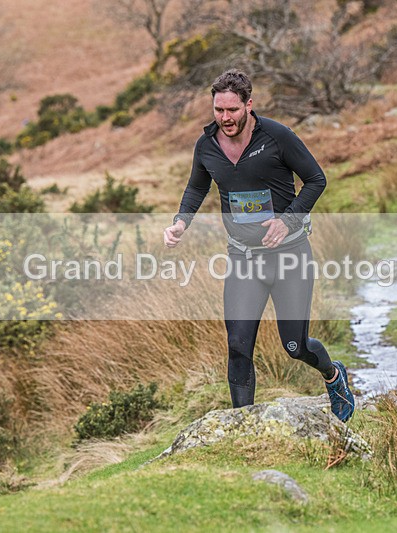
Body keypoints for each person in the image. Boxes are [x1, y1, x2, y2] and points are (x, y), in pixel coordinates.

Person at [163, 69, 355, 423]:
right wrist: (180, 222)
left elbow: (316, 180)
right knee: (237, 346)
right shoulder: (206, 145)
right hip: (244, 258)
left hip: (289, 256)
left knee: (295, 346)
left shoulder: (277, 136)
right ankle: (244, 430)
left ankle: (333, 375)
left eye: (232, 110)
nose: (225, 118)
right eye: (218, 110)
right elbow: (195, 188)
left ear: (249, 105)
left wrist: (288, 219)